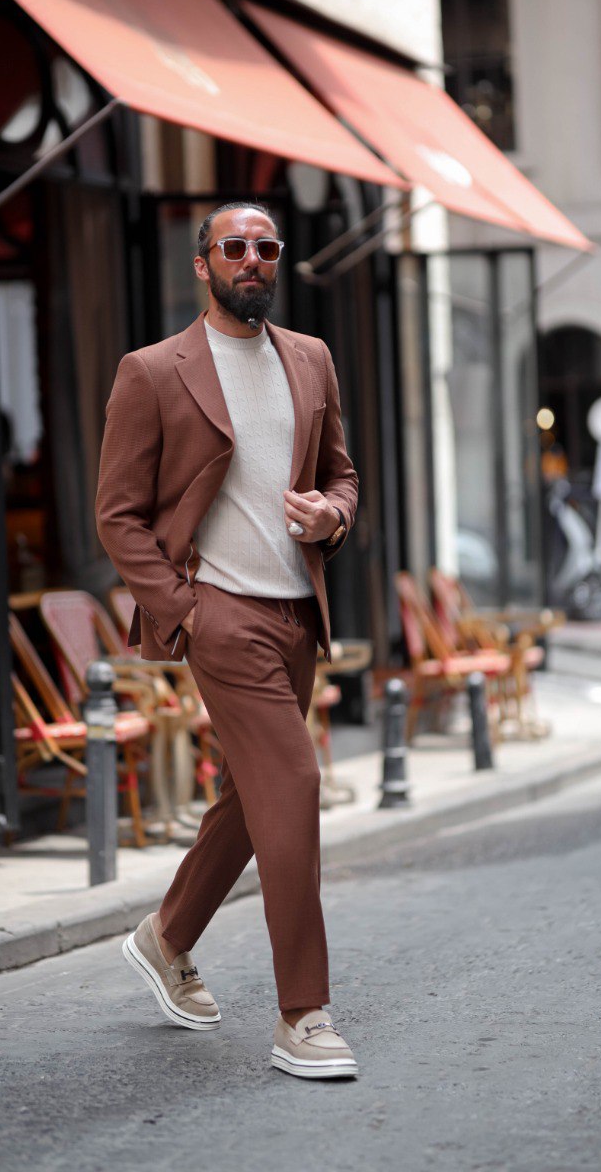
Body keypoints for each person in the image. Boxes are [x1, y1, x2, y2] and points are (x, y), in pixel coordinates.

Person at [95, 201, 359, 1080]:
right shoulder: (153, 372)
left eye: (265, 247)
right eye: (234, 247)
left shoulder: (310, 359)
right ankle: (302, 1015)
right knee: (293, 779)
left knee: (255, 798)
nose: (252, 259)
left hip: (296, 614)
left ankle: (165, 936)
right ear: (202, 265)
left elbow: (341, 476)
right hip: (223, 612)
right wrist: (182, 606)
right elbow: (118, 514)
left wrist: (331, 513)